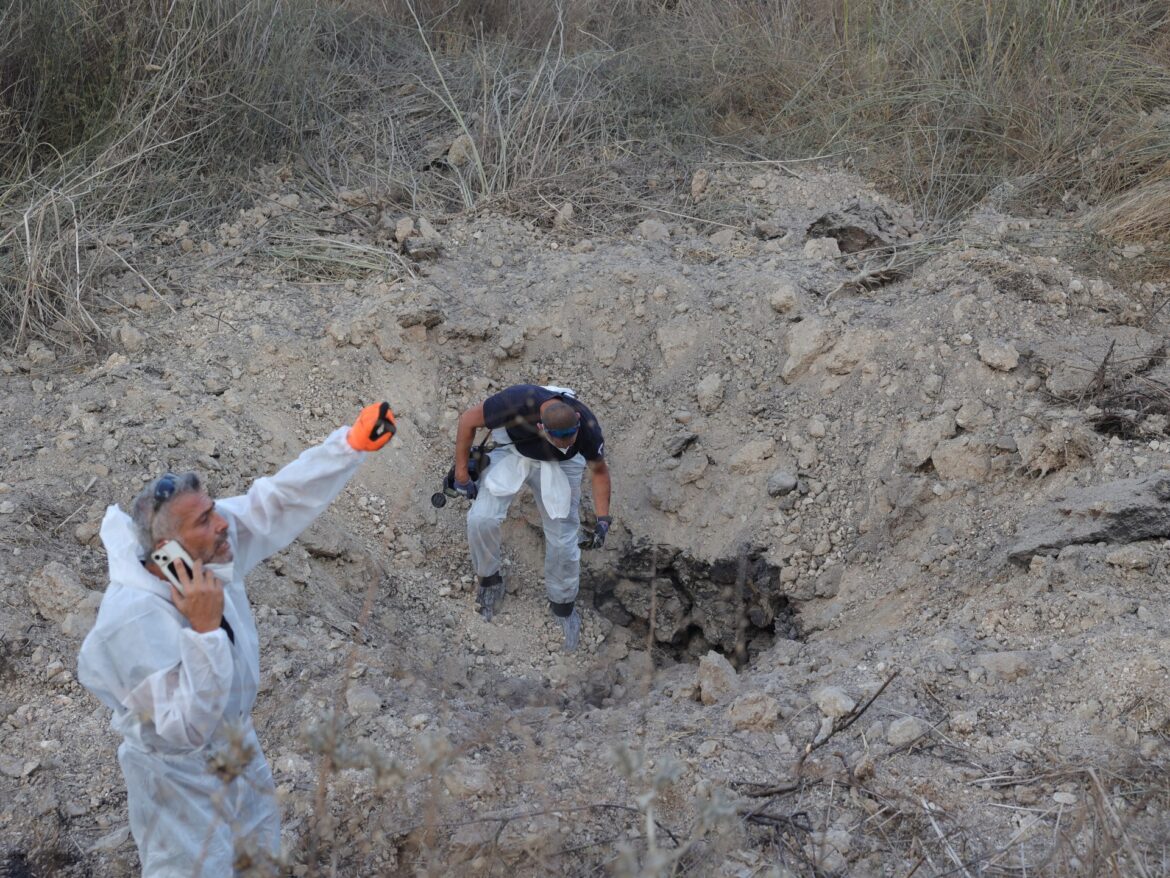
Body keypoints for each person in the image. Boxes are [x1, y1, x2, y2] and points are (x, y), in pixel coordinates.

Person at [77, 402, 397, 877]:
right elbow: (186, 729)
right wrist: (205, 632)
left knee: (258, 856)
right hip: (179, 777)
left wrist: (347, 447)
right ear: (166, 551)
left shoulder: (207, 552)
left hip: (237, 745)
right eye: (204, 520)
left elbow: (274, 504)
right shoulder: (132, 620)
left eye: (212, 510)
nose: (222, 523)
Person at [452, 384, 611, 651]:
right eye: (561, 440)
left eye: (571, 438)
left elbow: (599, 472)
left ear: (577, 421)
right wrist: (461, 475)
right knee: (481, 518)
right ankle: (489, 582)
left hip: (563, 464)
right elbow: (468, 420)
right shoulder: (514, 402)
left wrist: (603, 519)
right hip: (515, 450)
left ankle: (563, 607)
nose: (568, 443)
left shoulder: (588, 429)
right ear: (541, 427)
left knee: (563, 539)